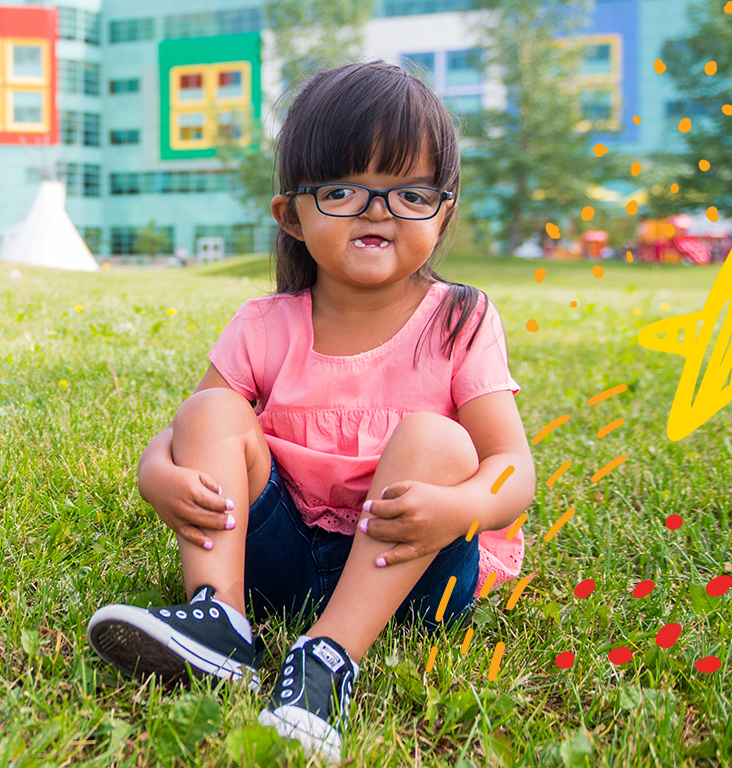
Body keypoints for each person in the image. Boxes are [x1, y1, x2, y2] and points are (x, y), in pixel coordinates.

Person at [85, 61, 535, 764]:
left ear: (443, 210)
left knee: (437, 441)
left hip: (415, 570)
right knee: (210, 408)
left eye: (409, 191)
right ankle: (220, 622)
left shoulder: (460, 319)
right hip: (280, 559)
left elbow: (514, 472)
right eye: (345, 190)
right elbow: (188, 434)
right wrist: (154, 474)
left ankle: (330, 658)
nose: (377, 210)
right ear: (291, 215)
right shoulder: (265, 324)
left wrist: (461, 510)